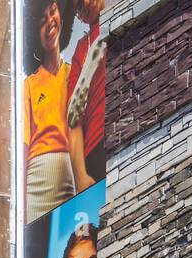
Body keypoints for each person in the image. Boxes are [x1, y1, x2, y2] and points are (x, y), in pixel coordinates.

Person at [24, 0, 76, 222]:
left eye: (52, 11)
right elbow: (24, 147)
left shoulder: (75, 74)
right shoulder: (30, 84)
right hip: (37, 179)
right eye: (41, 19)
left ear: (62, 16)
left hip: (69, 176)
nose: (49, 22)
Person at [66, 0, 106, 191]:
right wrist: (80, 176)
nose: (84, 8)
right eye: (78, 9)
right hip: (96, 146)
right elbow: (73, 120)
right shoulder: (82, 49)